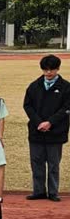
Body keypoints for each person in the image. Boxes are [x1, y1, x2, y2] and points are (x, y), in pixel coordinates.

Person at [23, 55, 70, 201]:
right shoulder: (34, 86)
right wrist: (39, 122)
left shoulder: (66, 87)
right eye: (45, 70)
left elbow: (66, 108)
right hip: (36, 131)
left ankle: (53, 192)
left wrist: (50, 122)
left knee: (53, 164)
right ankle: (38, 191)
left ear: (58, 69)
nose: (48, 73)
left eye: (52, 69)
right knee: (36, 163)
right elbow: (27, 106)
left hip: (56, 132)